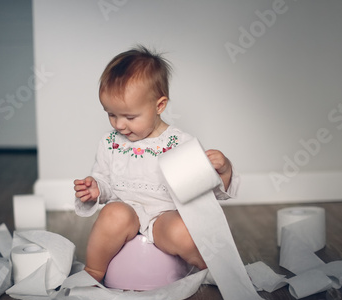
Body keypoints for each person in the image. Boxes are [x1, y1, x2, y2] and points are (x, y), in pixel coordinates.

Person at [74, 45, 239, 282]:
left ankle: (213, 270)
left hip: (164, 216)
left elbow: (207, 196)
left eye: (130, 117)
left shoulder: (179, 142)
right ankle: (93, 272)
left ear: (159, 106)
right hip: (127, 212)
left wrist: (223, 171)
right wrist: (96, 189)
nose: (119, 125)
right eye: (111, 114)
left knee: (183, 231)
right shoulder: (110, 142)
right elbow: (105, 180)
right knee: (112, 214)